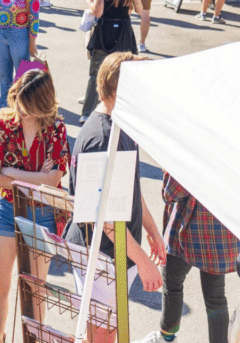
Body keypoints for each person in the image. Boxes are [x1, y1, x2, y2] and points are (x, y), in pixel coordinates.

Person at [66, 52, 165, 343]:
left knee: (106, 330)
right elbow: (105, 219)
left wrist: (151, 229)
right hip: (103, 256)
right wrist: (144, 261)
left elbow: (129, 190)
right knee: (104, 335)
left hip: (115, 254)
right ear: (120, 90)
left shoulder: (119, 127)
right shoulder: (102, 138)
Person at [0, 69, 69, 343]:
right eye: (18, 101)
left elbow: (53, 179)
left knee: (34, 292)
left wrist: (10, 171)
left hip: (43, 213)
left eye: (28, 106)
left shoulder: (57, 129)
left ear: (42, 104)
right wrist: (37, 179)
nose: (20, 110)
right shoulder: (5, 124)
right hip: (7, 210)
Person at [137, 173, 240, 343]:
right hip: (221, 231)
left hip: (189, 229)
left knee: (172, 284)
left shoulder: (192, 151)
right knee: (216, 298)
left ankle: (166, 337)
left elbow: (170, 193)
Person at [80, 0, 142, 122]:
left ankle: (87, 113)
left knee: (96, 73)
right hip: (124, 31)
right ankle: (123, 109)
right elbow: (140, 10)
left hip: (104, 32)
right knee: (123, 71)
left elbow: (97, 11)